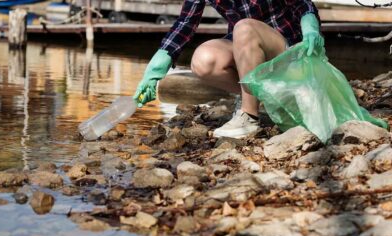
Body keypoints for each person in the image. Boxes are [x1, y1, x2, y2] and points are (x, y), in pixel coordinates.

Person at [133, 0, 324, 139]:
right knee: (204, 60)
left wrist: (311, 27)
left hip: (288, 51)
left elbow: (302, 4)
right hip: (246, 50)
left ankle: (249, 116)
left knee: (244, 27)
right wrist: (155, 70)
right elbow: (185, 23)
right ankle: (271, 100)